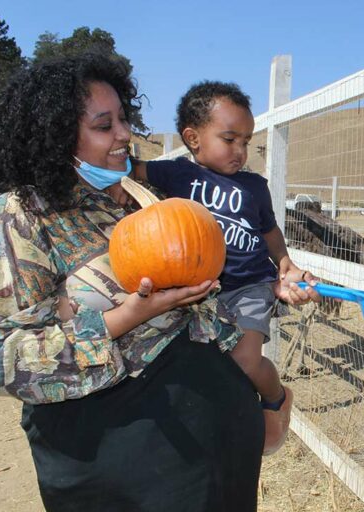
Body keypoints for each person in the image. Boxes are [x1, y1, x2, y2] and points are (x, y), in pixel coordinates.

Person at [0, 53, 317, 511]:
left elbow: (212, 288)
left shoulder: (150, 200)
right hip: (116, 465)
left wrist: (276, 286)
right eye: (104, 126)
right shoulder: (23, 216)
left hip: (218, 443)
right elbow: (3, 356)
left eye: (123, 120)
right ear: (54, 134)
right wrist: (122, 318)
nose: (125, 134)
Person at [130, 81, 314, 454]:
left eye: (246, 141)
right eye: (229, 139)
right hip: (203, 292)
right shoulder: (176, 175)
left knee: (245, 362)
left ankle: (276, 397)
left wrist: (284, 262)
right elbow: (131, 169)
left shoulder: (254, 187)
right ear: (193, 138)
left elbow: (269, 231)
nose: (240, 151)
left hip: (250, 286)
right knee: (210, 367)